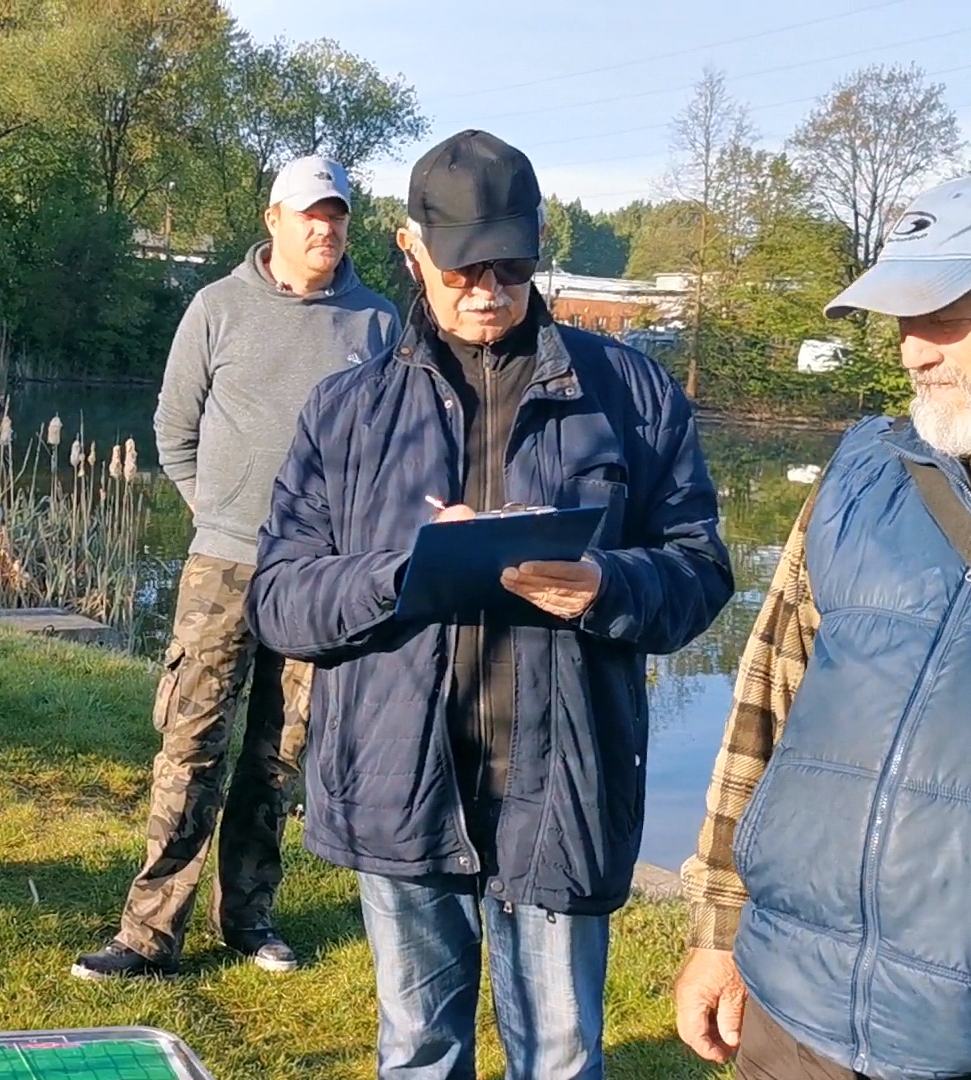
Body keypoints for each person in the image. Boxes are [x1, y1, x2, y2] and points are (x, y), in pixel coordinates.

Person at [247, 128, 733, 1080]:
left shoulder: (631, 394)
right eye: (464, 267)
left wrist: (606, 586)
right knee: (419, 1052)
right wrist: (402, 574)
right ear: (410, 249)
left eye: (511, 266)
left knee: (560, 1058)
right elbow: (277, 597)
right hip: (399, 782)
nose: (488, 290)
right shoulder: (346, 410)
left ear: (538, 246)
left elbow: (701, 570)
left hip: (563, 785)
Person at [672, 170, 971, 1080]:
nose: (912, 352)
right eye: (902, 320)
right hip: (791, 1019)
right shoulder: (865, 472)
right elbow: (764, 707)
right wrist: (720, 927)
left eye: (946, 316)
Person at [71, 154, 400, 981]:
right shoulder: (217, 307)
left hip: (318, 576)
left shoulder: (376, 323)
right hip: (223, 565)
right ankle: (149, 934)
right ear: (274, 220)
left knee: (278, 757)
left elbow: (394, 448)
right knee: (192, 746)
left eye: (337, 215)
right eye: (310, 215)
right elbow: (173, 427)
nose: (325, 229)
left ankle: (249, 917)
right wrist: (214, 512)